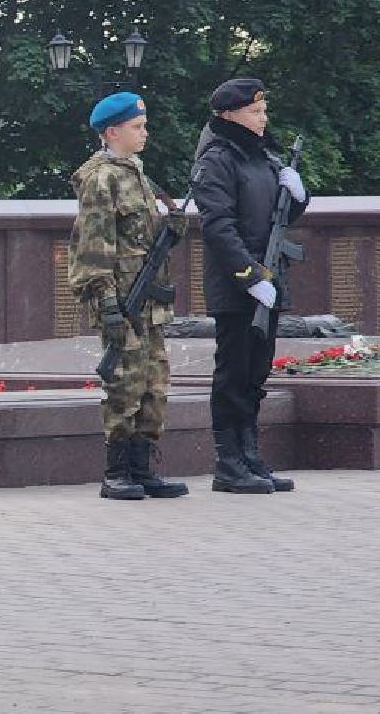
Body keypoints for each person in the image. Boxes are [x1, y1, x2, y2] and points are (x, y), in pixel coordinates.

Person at [67, 91, 190, 500]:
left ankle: (143, 467)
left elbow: (139, 239)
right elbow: (94, 246)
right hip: (121, 302)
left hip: (149, 305)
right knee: (125, 386)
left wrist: (170, 228)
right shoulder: (102, 178)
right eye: (137, 127)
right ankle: (116, 471)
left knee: (154, 385)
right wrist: (105, 302)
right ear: (112, 131)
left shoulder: (137, 173)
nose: (145, 133)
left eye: (144, 125)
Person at [192, 78, 308, 493]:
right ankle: (228, 463)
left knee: (256, 373)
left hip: (270, 279)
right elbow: (218, 227)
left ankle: (250, 455)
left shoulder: (264, 157)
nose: (264, 118)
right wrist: (250, 276)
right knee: (233, 373)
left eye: (263, 110)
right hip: (239, 286)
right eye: (255, 112)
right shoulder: (218, 160)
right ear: (229, 114)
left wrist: (297, 196)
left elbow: (278, 217)